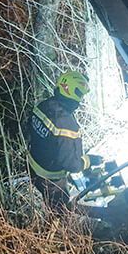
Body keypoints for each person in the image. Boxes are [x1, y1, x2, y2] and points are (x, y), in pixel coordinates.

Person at [26, 70, 102, 212]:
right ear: (74, 93)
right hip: (50, 178)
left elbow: (30, 128)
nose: (81, 100)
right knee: (60, 210)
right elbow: (72, 165)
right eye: (81, 95)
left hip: (32, 165)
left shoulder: (43, 105)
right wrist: (89, 161)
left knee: (48, 201)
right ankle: (59, 231)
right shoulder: (67, 125)